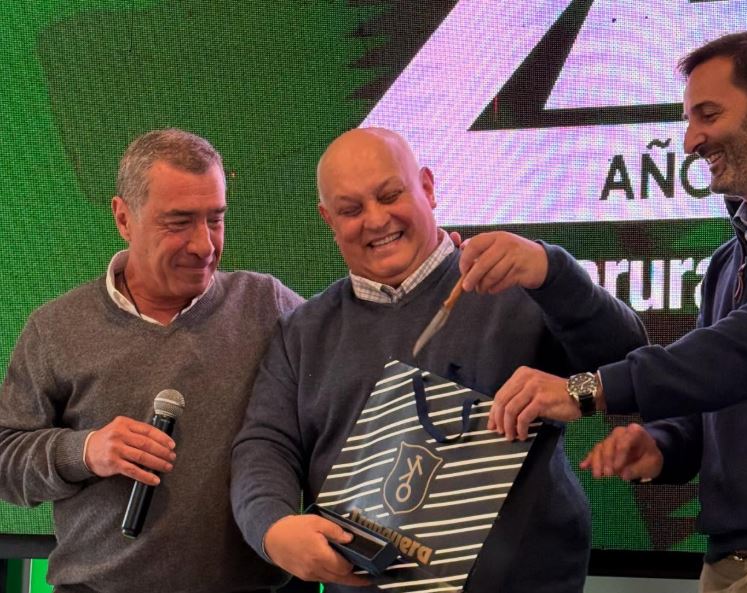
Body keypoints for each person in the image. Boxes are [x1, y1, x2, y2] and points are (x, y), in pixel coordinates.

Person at [488, 32, 747, 592]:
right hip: (726, 565)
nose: (691, 140)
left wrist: (585, 389)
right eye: (689, 119)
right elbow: (712, 409)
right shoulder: (726, 262)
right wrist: (661, 445)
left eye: (708, 114)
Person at [229, 127, 647, 593]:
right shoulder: (302, 332)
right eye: (351, 209)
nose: (376, 220)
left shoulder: (518, 286)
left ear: (427, 187)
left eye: (390, 195)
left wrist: (554, 273)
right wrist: (272, 528)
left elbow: (630, 362)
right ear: (328, 219)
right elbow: (265, 446)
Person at [0, 129, 303, 593]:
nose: (204, 245)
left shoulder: (266, 305)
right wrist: (85, 451)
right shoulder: (55, 328)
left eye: (216, 219)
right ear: (124, 217)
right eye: (179, 222)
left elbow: (359, 356)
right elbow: (5, 461)